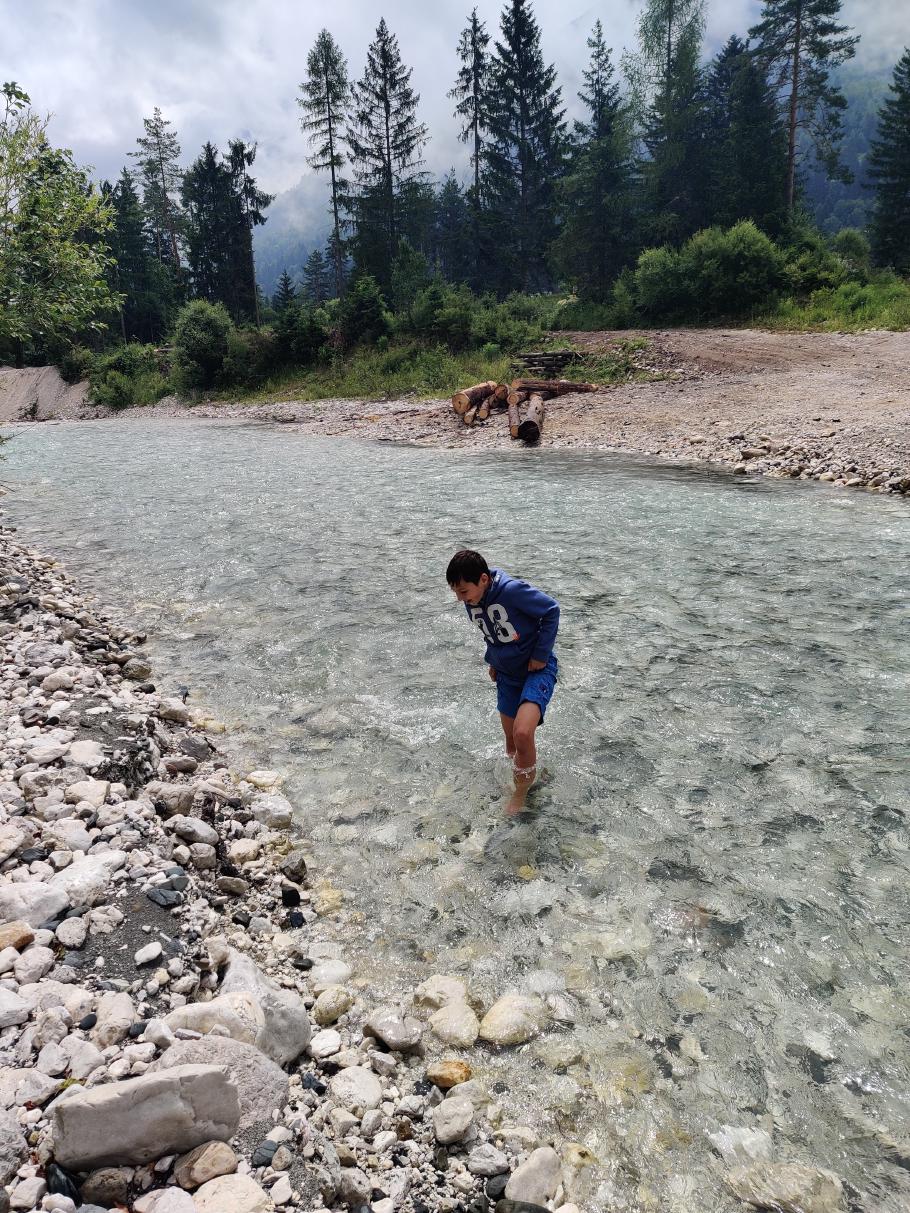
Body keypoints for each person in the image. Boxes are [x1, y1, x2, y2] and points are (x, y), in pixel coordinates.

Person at [447, 548, 559, 815]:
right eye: (455, 591)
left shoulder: (512, 591)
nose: (459, 598)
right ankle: (530, 777)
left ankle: (520, 796)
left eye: (463, 591)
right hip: (507, 675)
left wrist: (541, 654)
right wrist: (494, 661)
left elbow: (551, 610)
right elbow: (492, 633)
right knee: (510, 743)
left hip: (536, 671)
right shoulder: (472, 601)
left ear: (483, 579)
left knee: (522, 732)